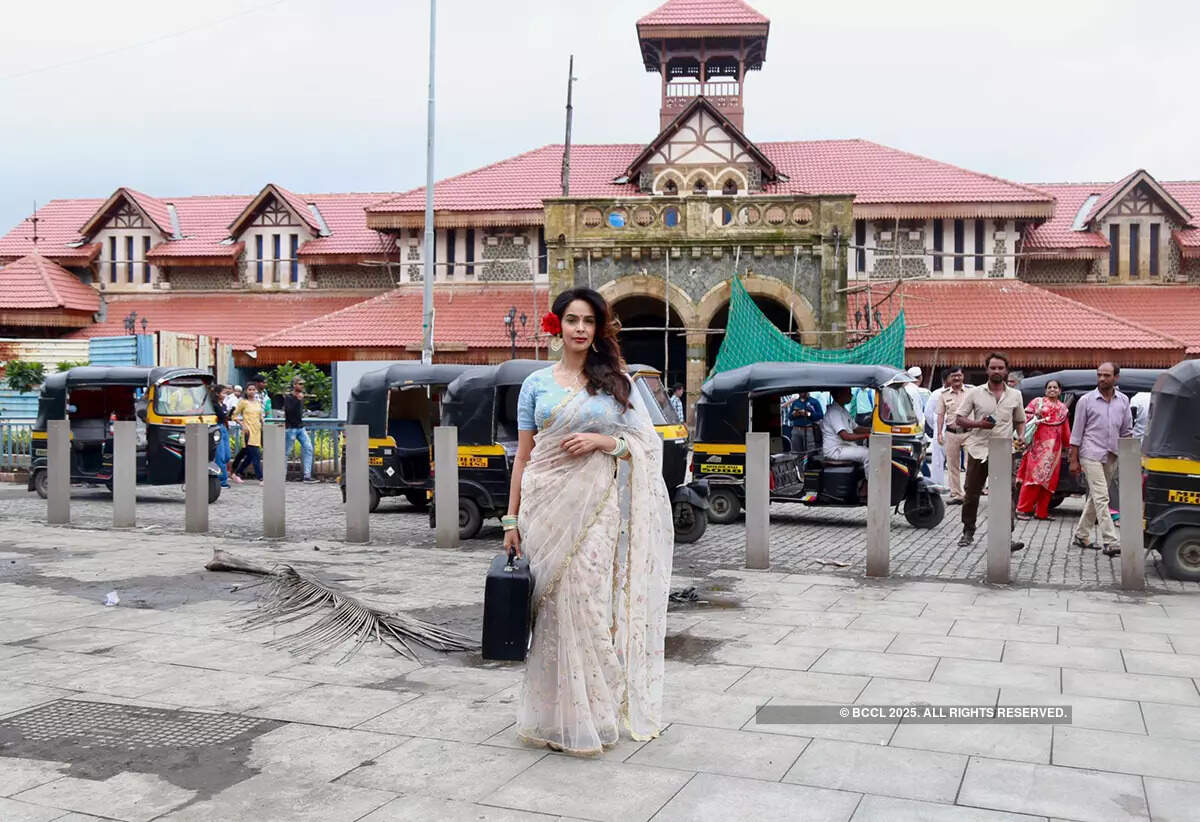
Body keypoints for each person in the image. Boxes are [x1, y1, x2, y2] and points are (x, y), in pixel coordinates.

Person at [503, 287, 672, 756]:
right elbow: (524, 456)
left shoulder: (618, 382)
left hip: (595, 506)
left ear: (598, 329)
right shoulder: (535, 384)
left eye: (589, 321)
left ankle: (594, 713)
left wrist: (603, 444)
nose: (580, 329)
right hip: (544, 503)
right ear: (558, 326)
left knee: (588, 603)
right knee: (553, 608)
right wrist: (510, 520)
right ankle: (555, 718)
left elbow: (648, 446)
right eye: (573, 320)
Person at [954, 352, 1027, 551]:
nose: (996, 371)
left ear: (1006, 370)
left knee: (1006, 494)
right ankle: (968, 530)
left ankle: (1005, 537)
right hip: (978, 449)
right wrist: (979, 423)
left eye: (1000, 368)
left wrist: (1021, 435)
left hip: (1004, 450)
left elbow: (1020, 420)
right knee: (971, 493)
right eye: (993, 367)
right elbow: (959, 419)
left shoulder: (1015, 395)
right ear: (987, 369)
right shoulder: (974, 393)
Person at [1069, 362, 1132, 556]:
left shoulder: (1123, 401)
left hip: (1112, 454)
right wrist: (1073, 459)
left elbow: (1127, 431)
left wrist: (1129, 457)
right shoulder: (1086, 400)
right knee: (1103, 496)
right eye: (1099, 375)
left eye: (1106, 375)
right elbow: (1077, 432)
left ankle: (1081, 534)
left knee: (1097, 497)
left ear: (1116, 378)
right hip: (1090, 453)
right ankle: (1110, 540)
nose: (1102, 378)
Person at [1015, 379, 1070, 520]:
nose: (1052, 389)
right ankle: (1022, 509)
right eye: (1050, 387)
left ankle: (1042, 512)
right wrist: (1036, 415)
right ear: (1045, 390)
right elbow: (1023, 419)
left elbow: (1065, 429)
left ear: (1060, 391)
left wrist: (1069, 446)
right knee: (1034, 479)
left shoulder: (1063, 408)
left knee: (1050, 482)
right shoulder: (1036, 403)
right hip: (1037, 448)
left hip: (1055, 451)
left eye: (1055, 387)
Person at [936, 368, 971, 505]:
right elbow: (940, 415)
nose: (957, 378)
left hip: (969, 433)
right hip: (951, 433)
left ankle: (969, 493)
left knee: (971, 465)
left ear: (963, 376)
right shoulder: (943, 395)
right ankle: (956, 494)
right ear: (949, 378)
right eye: (953, 376)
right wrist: (939, 433)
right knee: (952, 465)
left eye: (959, 375)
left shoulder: (971, 392)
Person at [821, 387, 870, 467]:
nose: (851, 395)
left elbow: (856, 428)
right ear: (839, 395)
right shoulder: (834, 412)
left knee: (867, 450)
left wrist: (873, 430)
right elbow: (845, 436)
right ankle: (870, 479)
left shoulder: (843, 410)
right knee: (868, 454)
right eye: (848, 392)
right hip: (836, 450)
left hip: (844, 446)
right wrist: (866, 435)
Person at [283, 377, 316, 483]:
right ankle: (281, 475)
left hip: (300, 427)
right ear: (294, 385)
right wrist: (298, 400)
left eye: (302, 384)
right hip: (291, 428)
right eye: (300, 384)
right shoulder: (289, 397)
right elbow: (289, 411)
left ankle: (307, 475)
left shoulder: (301, 397)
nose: (302, 386)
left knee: (308, 448)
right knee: (286, 452)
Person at [230, 383, 264, 483]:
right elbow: (234, 416)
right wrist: (242, 424)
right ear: (246, 391)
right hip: (248, 431)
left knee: (249, 455)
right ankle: (261, 477)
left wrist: (263, 422)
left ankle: (236, 472)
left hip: (257, 431)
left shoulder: (258, 402)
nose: (252, 391)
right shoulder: (243, 402)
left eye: (254, 389)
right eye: (250, 389)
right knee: (256, 455)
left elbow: (260, 415)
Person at [213, 384, 231, 489]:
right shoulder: (214, 405)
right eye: (223, 392)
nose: (225, 395)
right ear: (217, 393)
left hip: (224, 428)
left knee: (227, 455)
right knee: (220, 455)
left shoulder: (223, 405)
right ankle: (222, 480)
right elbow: (221, 415)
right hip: (217, 428)